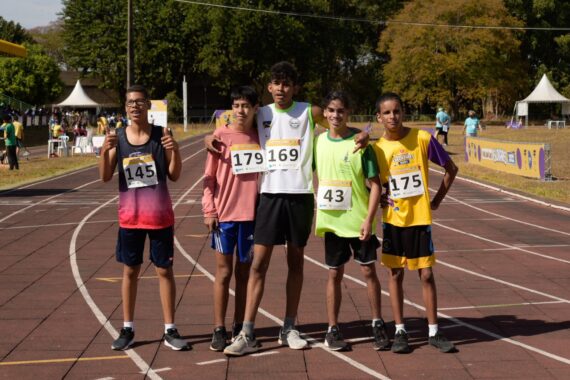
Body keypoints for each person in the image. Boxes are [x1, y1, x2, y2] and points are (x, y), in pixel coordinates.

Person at [222, 62, 368, 356]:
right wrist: (208, 137)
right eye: (276, 83)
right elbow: (233, 127)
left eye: (287, 83)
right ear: (269, 87)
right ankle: (247, 331)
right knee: (258, 264)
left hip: (300, 197)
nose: (281, 89)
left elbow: (337, 125)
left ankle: (289, 327)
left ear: (295, 88)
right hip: (270, 197)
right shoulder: (260, 112)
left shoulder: (309, 112)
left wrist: (360, 134)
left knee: (296, 264)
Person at [99, 84, 189, 351]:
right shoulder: (118, 138)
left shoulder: (162, 135)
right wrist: (104, 150)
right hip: (130, 217)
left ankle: (170, 329)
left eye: (140, 102)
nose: (135, 106)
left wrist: (176, 151)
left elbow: (174, 175)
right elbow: (104, 176)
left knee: (164, 270)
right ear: (125, 108)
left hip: (160, 216)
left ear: (148, 105)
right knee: (130, 271)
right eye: (130, 103)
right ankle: (127, 328)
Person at [373, 92, 458, 354]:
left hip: (420, 219)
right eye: (386, 112)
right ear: (378, 117)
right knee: (395, 274)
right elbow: (369, 179)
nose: (392, 116)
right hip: (393, 221)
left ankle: (433, 331)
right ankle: (400, 330)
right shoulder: (377, 149)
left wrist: (437, 201)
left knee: (427, 274)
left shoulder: (422, 138)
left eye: (397, 111)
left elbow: (451, 168)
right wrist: (379, 198)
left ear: (404, 113)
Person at [314, 91, 389, 352]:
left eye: (341, 111)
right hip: (332, 222)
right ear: (325, 113)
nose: (336, 115)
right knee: (334, 273)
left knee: (369, 271)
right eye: (331, 110)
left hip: (358, 221)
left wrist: (369, 220)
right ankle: (332, 328)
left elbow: (376, 186)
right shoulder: (317, 143)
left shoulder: (361, 144)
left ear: (349, 113)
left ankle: (378, 323)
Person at [202, 86, 260, 351]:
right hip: (224, 216)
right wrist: (209, 210)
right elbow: (209, 178)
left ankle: (240, 325)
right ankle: (218, 327)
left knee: (244, 273)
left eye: (246, 105)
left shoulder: (262, 135)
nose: (241, 110)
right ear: (231, 108)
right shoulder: (220, 135)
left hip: (251, 217)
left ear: (255, 109)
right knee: (223, 273)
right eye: (236, 105)